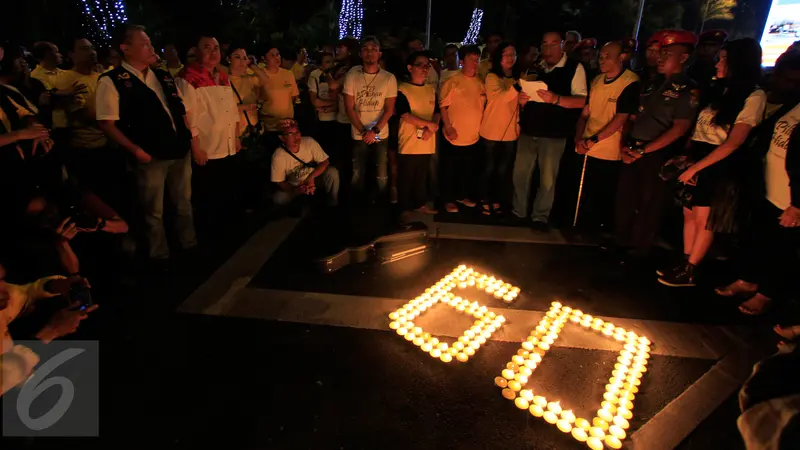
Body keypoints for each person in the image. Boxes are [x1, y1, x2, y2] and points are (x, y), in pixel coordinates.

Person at [657, 39, 766, 287]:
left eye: (724, 59)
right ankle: (685, 262)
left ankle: (692, 268)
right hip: (699, 156)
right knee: (689, 212)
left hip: (719, 162)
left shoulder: (754, 96)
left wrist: (698, 167)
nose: (718, 63)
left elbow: (734, 142)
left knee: (704, 218)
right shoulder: (719, 90)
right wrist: (688, 159)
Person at [96, 24, 196, 271]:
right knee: (153, 209)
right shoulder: (113, 81)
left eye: (151, 43)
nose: (151, 48)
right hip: (149, 155)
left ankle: (189, 244)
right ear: (125, 48)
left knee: (183, 202)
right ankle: (158, 254)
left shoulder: (162, 75)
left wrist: (190, 139)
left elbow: (179, 111)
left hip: (178, 150)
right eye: (145, 44)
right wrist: (135, 150)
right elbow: (106, 123)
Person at [714, 50, 800, 315]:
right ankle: (748, 280)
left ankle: (767, 294)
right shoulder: (792, 106)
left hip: (791, 198)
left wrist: (798, 204)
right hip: (768, 188)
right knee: (758, 239)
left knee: (782, 248)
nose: (776, 81)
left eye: (787, 79)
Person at [614, 30, 699, 259]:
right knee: (626, 197)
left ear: (683, 57)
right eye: (660, 53)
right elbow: (632, 119)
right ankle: (621, 240)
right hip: (634, 148)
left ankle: (638, 249)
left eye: (668, 54)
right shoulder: (651, 85)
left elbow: (680, 128)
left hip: (657, 154)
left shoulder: (687, 90)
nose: (660, 58)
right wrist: (626, 145)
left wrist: (644, 150)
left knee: (649, 202)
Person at [513, 30, 588, 231]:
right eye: (544, 44)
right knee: (520, 175)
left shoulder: (574, 68)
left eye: (553, 44)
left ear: (562, 45)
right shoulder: (537, 67)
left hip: (554, 133)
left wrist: (556, 99)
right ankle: (518, 212)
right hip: (529, 129)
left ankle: (540, 217)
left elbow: (582, 100)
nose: (548, 49)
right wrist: (522, 102)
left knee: (547, 179)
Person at [573, 41, 640, 233]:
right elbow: (586, 113)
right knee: (586, 192)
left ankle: (598, 231)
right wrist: (579, 138)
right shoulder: (596, 80)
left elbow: (621, 118)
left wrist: (594, 139)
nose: (602, 60)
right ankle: (583, 228)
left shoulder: (630, 82)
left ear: (622, 57)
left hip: (609, 149)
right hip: (587, 146)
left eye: (607, 56)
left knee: (603, 192)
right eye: (601, 56)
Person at [180, 35, 241, 227]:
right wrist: (196, 148)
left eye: (216, 47)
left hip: (228, 143)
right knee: (209, 195)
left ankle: (227, 227)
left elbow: (232, 109)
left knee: (227, 190)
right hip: (208, 147)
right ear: (196, 52)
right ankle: (210, 232)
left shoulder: (222, 76)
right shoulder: (188, 77)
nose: (213, 52)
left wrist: (237, 137)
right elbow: (188, 117)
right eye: (207, 47)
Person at [343, 37, 397, 201]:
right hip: (359, 132)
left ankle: (382, 202)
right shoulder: (352, 75)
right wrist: (363, 131)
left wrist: (374, 131)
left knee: (381, 172)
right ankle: (357, 204)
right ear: (360, 54)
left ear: (379, 54)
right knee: (357, 171)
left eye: (374, 49)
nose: (370, 53)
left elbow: (389, 109)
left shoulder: (388, 78)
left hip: (380, 132)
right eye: (366, 49)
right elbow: (349, 107)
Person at [479, 42, 525, 216]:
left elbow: (516, 104)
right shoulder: (492, 77)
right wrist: (517, 88)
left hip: (510, 132)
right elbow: (499, 99)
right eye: (506, 54)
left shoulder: (516, 78)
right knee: (488, 168)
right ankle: (484, 199)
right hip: (491, 131)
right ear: (499, 57)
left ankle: (497, 199)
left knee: (503, 170)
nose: (510, 57)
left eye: (513, 54)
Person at [439, 45, 486, 213]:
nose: (475, 63)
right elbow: (443, 107)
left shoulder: (481, 83)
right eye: (471, 59)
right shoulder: (452, 82)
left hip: (474, 135)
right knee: (450, 169)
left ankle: (463, 195)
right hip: (454, 134)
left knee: (467, 169)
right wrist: (448, 127)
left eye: (477, 59)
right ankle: (448, 199)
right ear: (462, 61)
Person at [395, 51, 439, 215]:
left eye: (427, 65)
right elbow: (405, 114)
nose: (424, 68)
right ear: (410, 67)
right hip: (408, 140)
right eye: (420, 65)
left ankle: (420, 204)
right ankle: (404, 208)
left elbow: (437, 111)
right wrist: (429, 125)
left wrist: (432, 126)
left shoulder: (430, 90)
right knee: (407, 175)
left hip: (427, 140)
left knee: (422, 174)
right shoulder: (402, 89)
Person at [271, 120, 338, 206]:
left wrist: (311, 178)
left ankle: (333, 203)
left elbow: (325, 162)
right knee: (278, 197)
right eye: (290, 134)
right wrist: (296, 190)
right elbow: (279, 181)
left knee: (332, 173)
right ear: (282, 138)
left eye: (297, 132)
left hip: (314, 178)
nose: (296, 137)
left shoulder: (309, 142)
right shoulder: (278, 156)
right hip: (295, 185)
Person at [259, 46, 300, 137]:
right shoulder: (260, 75)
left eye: (278, 54)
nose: (276, 57)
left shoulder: (288, 74)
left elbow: (293, 96)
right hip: (270, 126)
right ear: (263, 58)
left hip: (288, 125)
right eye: (272, 55)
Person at [307, 52, 338, 161]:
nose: (331, 65)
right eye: (327, 62)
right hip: (324, 119)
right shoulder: (315, 75)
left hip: (339, 118)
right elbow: (315, 101)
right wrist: (334, 104)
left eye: (332, 61)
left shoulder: (338, 74)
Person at [689, 29, 728, 93]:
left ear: (719, 48)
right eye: (704, 45)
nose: (706, 49)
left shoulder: (720, 69)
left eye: (712, 45)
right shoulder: (690, 69)